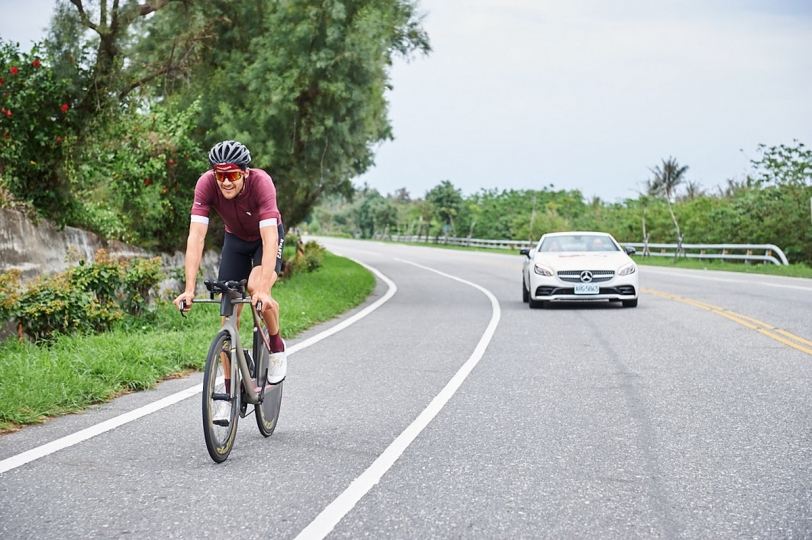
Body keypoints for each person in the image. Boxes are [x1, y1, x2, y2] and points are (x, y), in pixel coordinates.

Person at [173, 140, 287, 384]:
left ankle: (276, 346)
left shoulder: (261, 183)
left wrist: (265, 290)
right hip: (235, 240)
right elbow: (196, 237)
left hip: (264, 239)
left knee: (256, 287)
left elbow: (269, 238)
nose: (226, 181)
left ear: (245, 172)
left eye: (232, 174)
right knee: (228, 315)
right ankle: (227, 389)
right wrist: (189, 289)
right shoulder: (205, 184)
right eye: (220, 175)